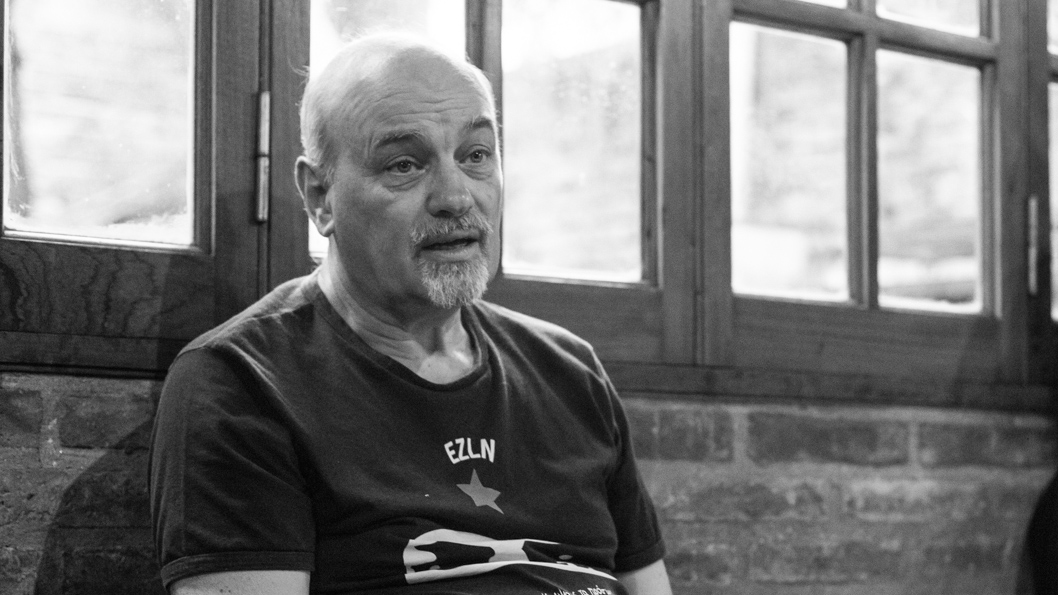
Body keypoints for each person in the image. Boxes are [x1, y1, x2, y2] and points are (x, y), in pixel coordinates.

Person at [148, 33, 672, 595]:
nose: (456, 197)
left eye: (476, 155)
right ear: (320, 197)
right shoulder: (241, 382)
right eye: (405, 164)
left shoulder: (571, 372)